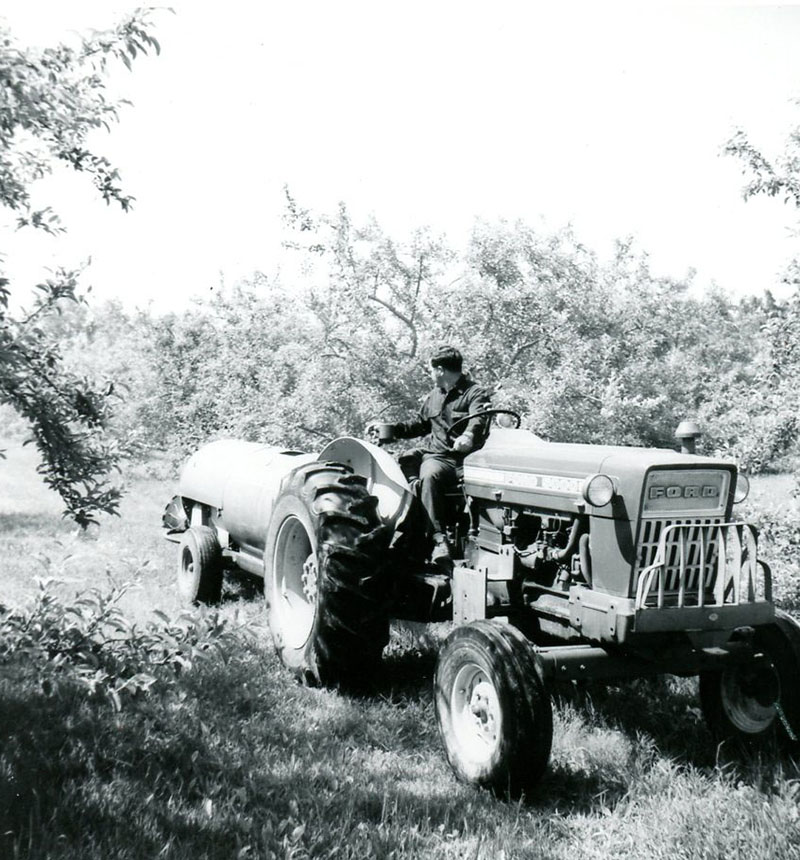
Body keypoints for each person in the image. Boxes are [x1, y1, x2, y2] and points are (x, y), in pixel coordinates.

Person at [369, 346, 491, 566]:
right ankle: (435, 536)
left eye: (431, 371)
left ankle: (456, 538)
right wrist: (390, 429)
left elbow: (478, 419)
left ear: (440, 370)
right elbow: (419, 425)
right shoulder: (433, 397)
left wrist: (468, 436)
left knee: (433, 475)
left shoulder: (474, 392)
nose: (431, 375)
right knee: (419, 469)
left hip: (467, 460)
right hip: (439, 456)